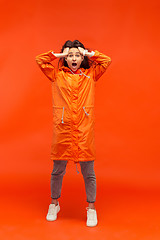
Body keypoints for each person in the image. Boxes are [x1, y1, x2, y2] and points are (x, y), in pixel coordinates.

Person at [35, 40, 112, 227]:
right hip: (63, 129)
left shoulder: (90, 74)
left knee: (89, 172)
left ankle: (91, 208)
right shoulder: (56, 75)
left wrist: (88, 53)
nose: (73, 58)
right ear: (65, 58)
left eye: (77, 55)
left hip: (84, 130)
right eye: (70, 56)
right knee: (57, 170)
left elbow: (106, 61)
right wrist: (60, 55)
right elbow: (40, 60)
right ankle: (54, 204)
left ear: (82, 57)